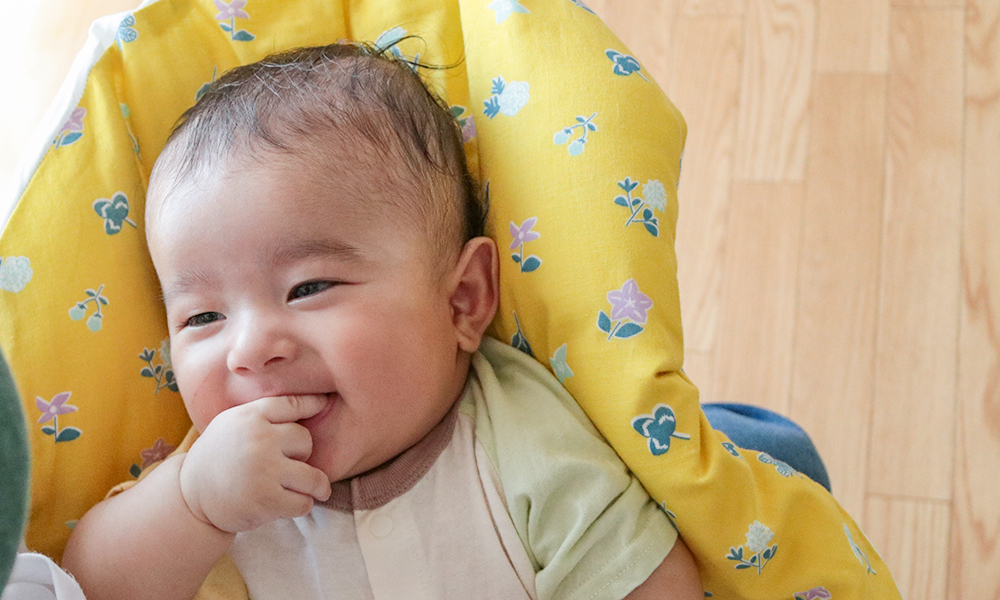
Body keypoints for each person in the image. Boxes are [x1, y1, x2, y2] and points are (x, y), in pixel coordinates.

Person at [61, 43, 702, 600]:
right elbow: (83, 585)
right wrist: (195, 505)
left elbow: (644, 577)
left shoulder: (524, 444)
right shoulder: (215, 483)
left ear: (463, 301)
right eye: (203, 316)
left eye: (308, 287)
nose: (250, 349)